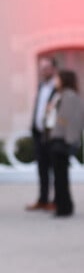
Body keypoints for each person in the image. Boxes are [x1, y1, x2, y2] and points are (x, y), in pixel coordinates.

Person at [47, 70, 84, 217]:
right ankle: (63, 206)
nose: (56, 81)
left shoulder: (69, 97)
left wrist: (69, 141)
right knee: (60, 176)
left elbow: (71, 120)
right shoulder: (62, 96)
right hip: (58, 139)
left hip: (61, 141)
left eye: (58, 79)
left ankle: (64, 207)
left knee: (61, 177)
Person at [27, 56, 58, 211]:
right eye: (41, 68)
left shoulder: (58, 88)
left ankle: (56, 201)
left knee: (55, 169)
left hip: (53, 136)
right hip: (39, 134)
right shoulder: (41, 87)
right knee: (42, 169)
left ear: (53, 69)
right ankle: (43, 199)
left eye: (46, 68)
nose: (43, 71)